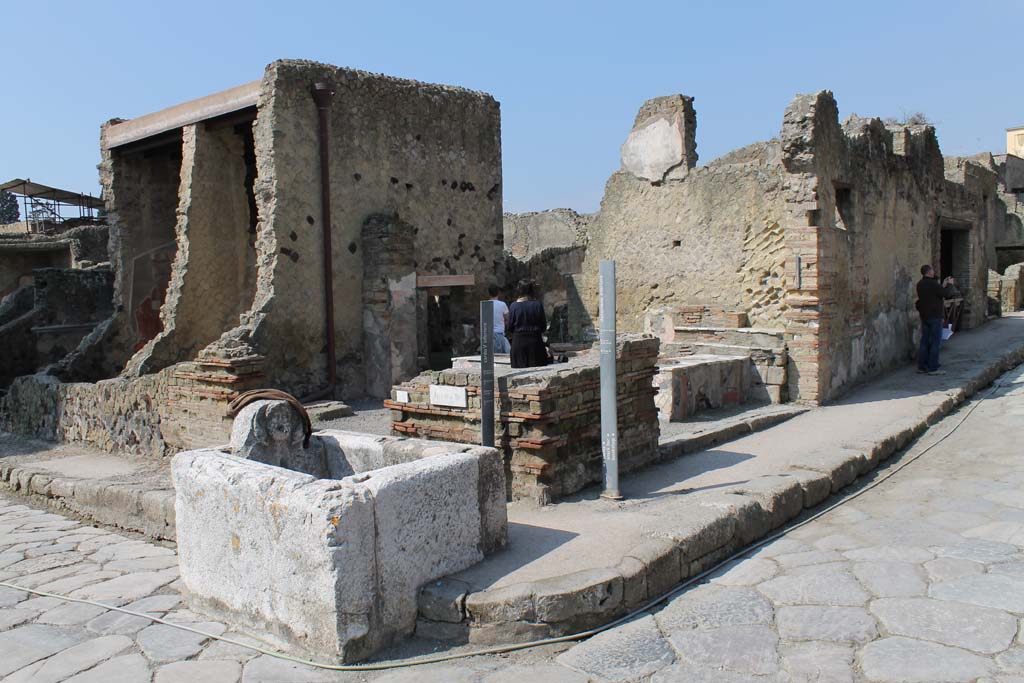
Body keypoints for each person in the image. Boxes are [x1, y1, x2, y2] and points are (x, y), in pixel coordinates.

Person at [915, 264, 957, 376]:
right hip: (935, 316)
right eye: (932, 270)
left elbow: (936, 294)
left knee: (924, 341)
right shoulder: (933, 284)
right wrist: (950, 285)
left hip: (925, 316)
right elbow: (947, 294)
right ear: (929, 272)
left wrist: (943, 284)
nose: (934, 272)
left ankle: (922, 366)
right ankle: (933, 368)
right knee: (935, 342)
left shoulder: (920, 284)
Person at [507, 280, 549, 369]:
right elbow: (543, 327)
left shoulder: (513, 306)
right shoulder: (538, 305)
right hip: (536, 345)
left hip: (518, 345)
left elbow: (510, 328)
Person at [488, 285, 510, 354]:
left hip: (487, 335)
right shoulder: (502, 304)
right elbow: (508, 319)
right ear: (498, 293)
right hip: (499, 333)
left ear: (489, 293)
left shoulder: (485, 304)